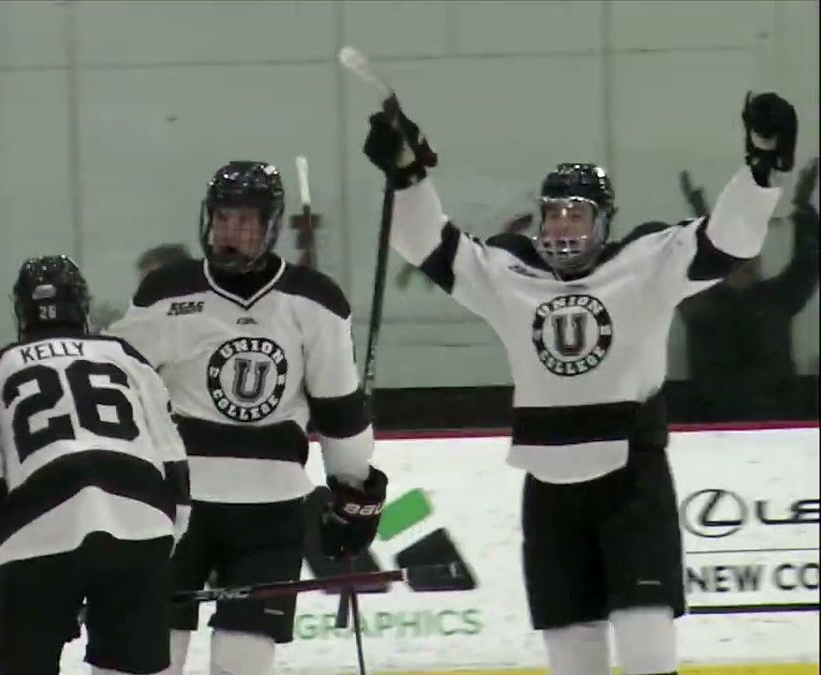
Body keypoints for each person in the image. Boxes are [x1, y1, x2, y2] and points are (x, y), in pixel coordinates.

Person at [362, 92, 796, 675]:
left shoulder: (646, 263)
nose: (562, 224)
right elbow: (424, 243)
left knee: (646, 648)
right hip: (549, 490)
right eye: (554, 212)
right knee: (573, 658)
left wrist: (762, 164)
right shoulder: (508, 276)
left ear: (604, 222)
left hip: (631, 484)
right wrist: (407, 176)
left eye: (577, 212)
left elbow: (730, 241)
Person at [106, 160, 387, 675]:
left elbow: (338, 408)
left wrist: (353, 488)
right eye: (222, 218)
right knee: (149, 658)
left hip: (271, 510)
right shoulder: (168, 293)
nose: (230, 231)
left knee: (244, 661)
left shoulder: (315, 301)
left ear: (271, 226)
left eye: (245, 221)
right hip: (176, 504)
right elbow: (114, 382)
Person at [0, 255, 190, 675]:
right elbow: (173, 460)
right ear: (82, 306)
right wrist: (161, 546)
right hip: (141, 522)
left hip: (38, 530)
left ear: (21, 310)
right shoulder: (125, 357)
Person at [676, 158, 819, 420]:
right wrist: (700, 212)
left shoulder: (776, 299)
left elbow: (807, 264)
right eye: (738, 256)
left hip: (779, 425)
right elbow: (688, 260)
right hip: (716, 429)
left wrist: (803, 208)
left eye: (751, 254)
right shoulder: (701, 306)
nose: (746, 262)